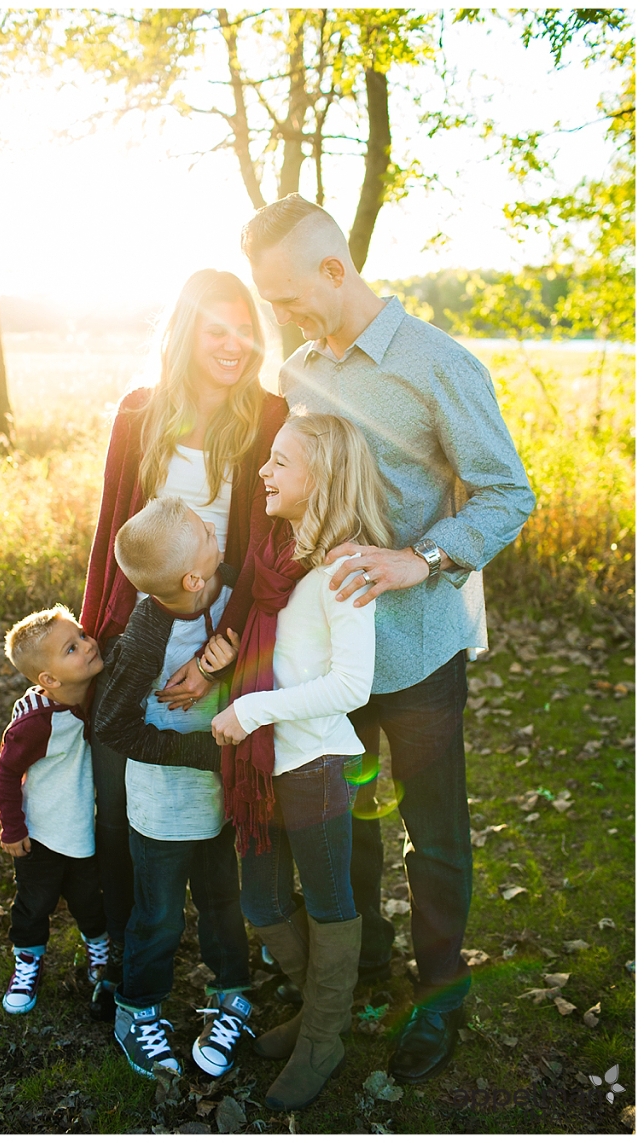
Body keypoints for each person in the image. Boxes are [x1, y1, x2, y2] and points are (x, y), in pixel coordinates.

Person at [240, 194, 536, 1084]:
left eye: (290, 297)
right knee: (345, 820)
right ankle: (359, 974)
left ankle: (439, 994)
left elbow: (507, 493)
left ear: (336, 270)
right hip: (335, 656)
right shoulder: (297, 373)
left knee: (433, 832)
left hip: (417, 652)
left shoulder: (437, 364)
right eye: (271, 303)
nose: (281, 319)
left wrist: (422, 556)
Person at [79, 270, 287, 981]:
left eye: (244, 329)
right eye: (217, 329)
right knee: (120, 802)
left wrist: (219, 652)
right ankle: (123, 952)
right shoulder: (140, 413)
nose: (234, 344)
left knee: (214, 793)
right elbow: (111, 531)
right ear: (187, 331)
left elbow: (262, 550)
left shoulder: (266, 417)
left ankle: (239, 949)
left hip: (229, 626)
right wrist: (92, 636)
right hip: (137, 626)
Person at [212, 411, 389, 1111]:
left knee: (329, 903)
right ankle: (323, 1011)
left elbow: (353, 686)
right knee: (260, 898)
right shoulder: (280, 556)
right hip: (263, 773)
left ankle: (322, 1036)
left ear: (325, 478)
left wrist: (249, 710)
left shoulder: (344, 566)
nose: (265, 471)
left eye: (282, 461)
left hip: (313, 764)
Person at [94, 496, 253, 1080]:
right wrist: (200, 752)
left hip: (223, 796)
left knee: (221, 901)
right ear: (192, 577)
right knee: (159, 915)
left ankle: (233, 993)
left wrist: (226, 660)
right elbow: (112, 722)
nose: (216, 529)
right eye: (203, 532)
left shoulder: (231, 588)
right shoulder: (146, 635)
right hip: (163, 804)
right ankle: (137, 1009)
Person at [0, 606, 110, 1015]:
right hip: (40, 833)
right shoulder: (36, 722)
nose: (88, 643)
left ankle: (100, 951)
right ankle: (27, 962)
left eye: (81, 634)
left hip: (82, 828)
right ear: (50, 680)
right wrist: (12, 829)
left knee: (89, 899)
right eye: (72, 647)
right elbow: (6, 773)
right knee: (34, 901)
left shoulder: (97, 694)